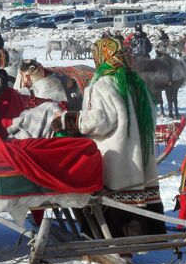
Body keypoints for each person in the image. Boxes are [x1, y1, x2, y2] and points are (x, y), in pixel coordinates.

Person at [50, 38, 165, 238]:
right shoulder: (139, 84)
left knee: (104, 196)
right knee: (138, 194)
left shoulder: (103, 83)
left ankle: (111, 242)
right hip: (141, 155)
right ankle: (139, 239)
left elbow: (101, 121)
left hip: (116, 157)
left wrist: (69, 119)